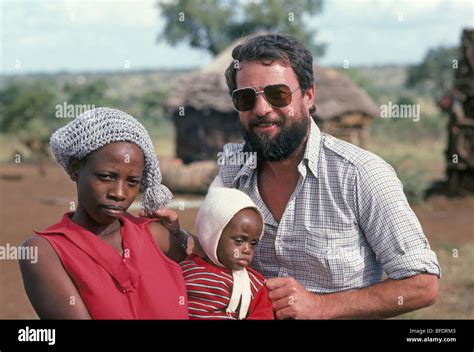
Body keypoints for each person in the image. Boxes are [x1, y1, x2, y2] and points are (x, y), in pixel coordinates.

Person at [151, 33, 441, 319]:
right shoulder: (232, 167)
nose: (262, 109)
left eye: (278, 94)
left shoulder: (361, 175)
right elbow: (216, 254)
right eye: (246, 98)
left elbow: (423, 284)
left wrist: (322, 306)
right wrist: (179, 237)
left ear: (309, 96)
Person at [19, 107, 189, 319]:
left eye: (132, 182)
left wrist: (180, 236)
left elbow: (220, 261)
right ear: (75, 168)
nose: (119, 194)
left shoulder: (153, 234)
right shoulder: (45, 252)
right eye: (106, 177)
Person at [180, 187, 274, 319]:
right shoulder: (185, 270)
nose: (247, 250)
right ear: (213, 235)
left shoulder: (252, 283)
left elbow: (264, 314)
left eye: (253, 243)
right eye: (239, 240)